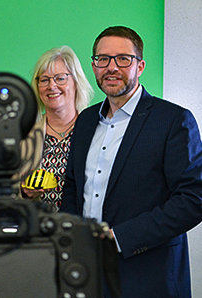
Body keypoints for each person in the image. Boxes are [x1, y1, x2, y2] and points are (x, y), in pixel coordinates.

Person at [61, 26, 202, 298]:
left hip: (150, 275)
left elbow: (193, 199)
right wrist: (73, 234)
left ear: (140, 66)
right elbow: (73, 185)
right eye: (102, 59)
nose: (111, 67)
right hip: (88, 270)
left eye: (123, 58)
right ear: (93, 65)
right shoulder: (86, 120)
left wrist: (120, 238)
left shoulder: (173, 120)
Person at [21, 46, 93, 211]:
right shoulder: (24, 135)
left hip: (83, 230)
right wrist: (23, 191)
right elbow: (5, 192)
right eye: (44, 80)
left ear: (76, 82)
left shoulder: (94, 131)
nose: (51, 86)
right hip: (37, 231)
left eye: (60, 78)